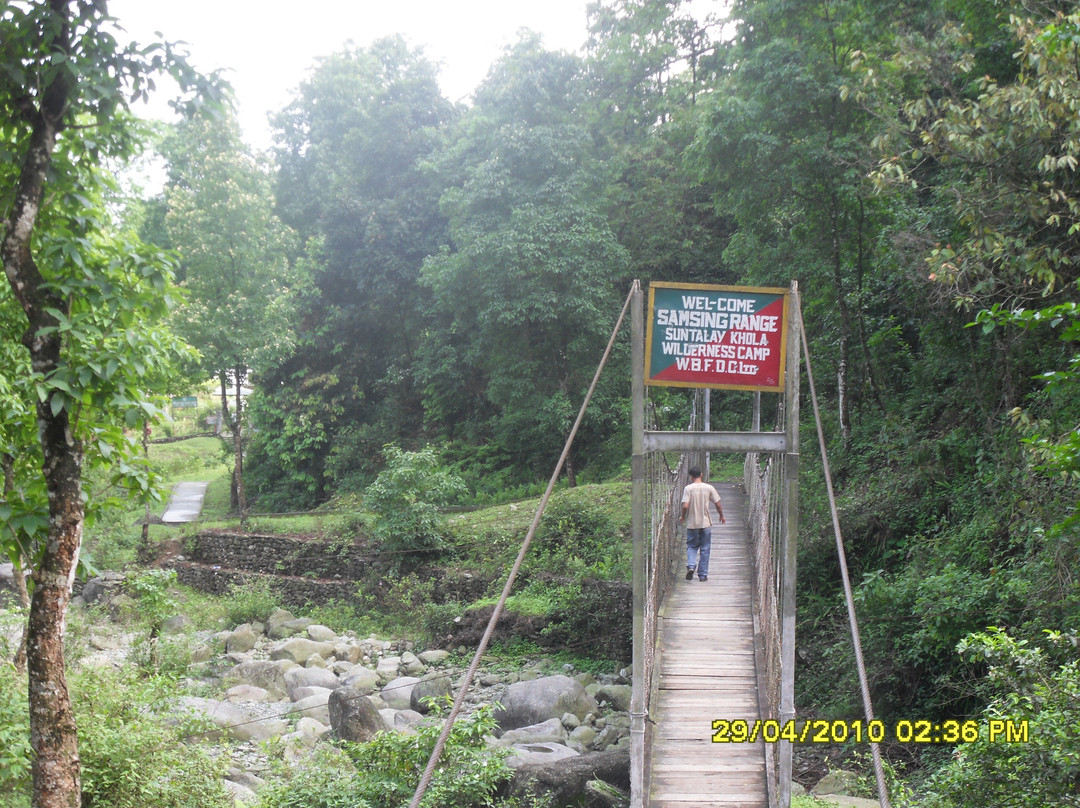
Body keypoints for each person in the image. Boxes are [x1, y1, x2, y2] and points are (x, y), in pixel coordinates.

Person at [681, 466, 724, 582]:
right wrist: (721, 515)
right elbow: (718, 503)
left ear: (691, 477)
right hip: (705, 523)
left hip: (692, 524)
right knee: (705, 548)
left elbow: (685, 506)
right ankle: (703, 575)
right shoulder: (709, 488)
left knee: (691, 546)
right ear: (701, 474)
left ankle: (691, 566)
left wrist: (683, 516)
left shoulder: (688, 489)